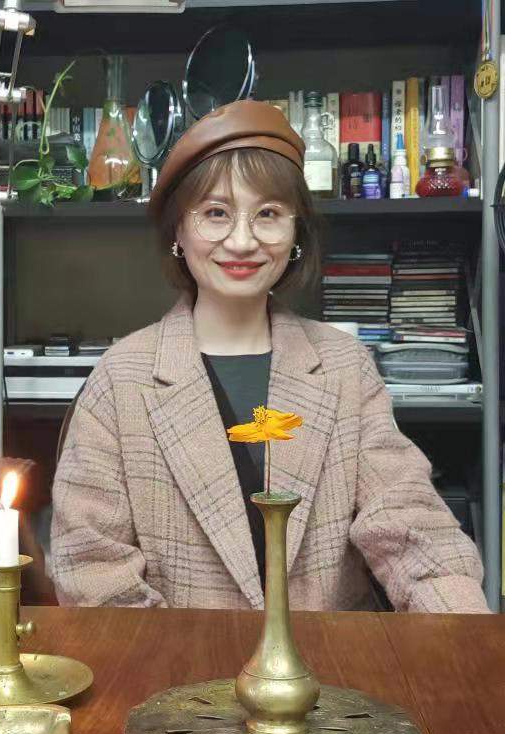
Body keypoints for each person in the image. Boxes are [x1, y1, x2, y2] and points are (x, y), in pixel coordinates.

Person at [50, 100, 488, 613]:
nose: (242, 241)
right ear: (178, 233)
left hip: (327, 662)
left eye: (268, 214)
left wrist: (461, 632)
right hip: (177, 661)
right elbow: (92, 567)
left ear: (295, 232)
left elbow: (411, 525)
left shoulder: (344, 366)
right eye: (215, 213)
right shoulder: (122, 377)